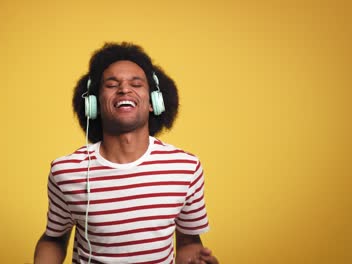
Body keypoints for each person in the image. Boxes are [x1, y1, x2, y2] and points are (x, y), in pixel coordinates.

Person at [34, 42, 219, 264]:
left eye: (136, 84)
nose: (124, 89)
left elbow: (189, 243)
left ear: (154, 102)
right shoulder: (66, 171)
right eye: (112, 84)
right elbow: (54, 239)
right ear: (94, 104)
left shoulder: (185, 168)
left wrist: (195, 260)